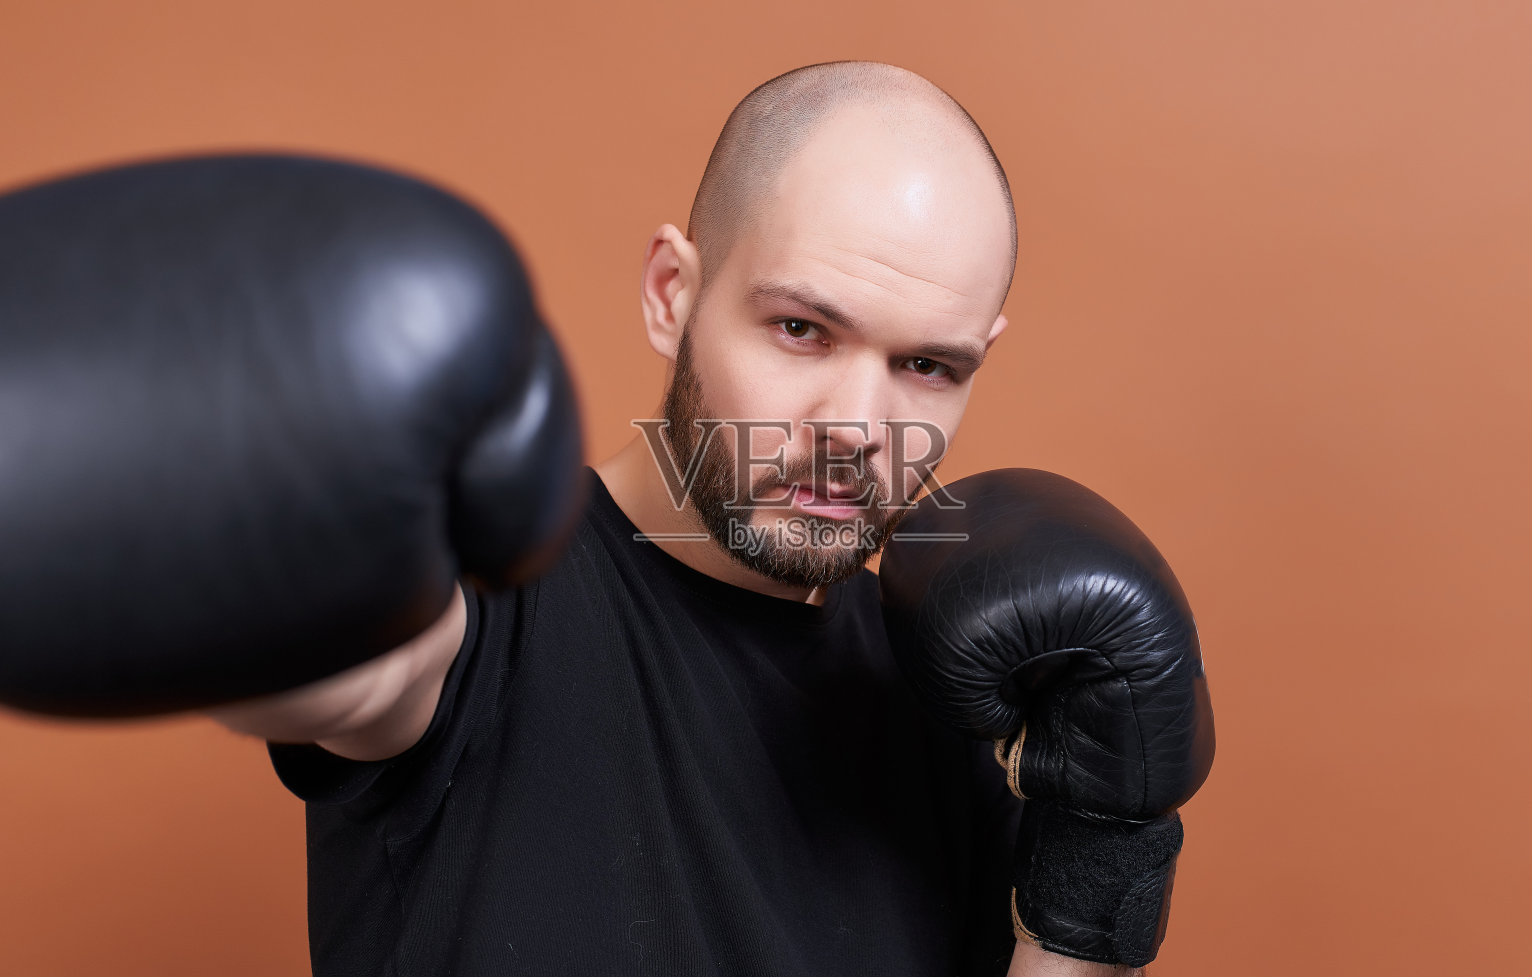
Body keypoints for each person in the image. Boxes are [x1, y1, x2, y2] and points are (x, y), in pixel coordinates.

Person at [0, 61, 1210, 976]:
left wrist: (1096, 864)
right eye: (802, 328)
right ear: (672, 293)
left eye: (928, 367)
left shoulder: (967, 660)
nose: (857, 423)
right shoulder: (483, 605)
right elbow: (342, 667)